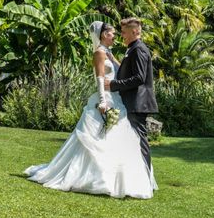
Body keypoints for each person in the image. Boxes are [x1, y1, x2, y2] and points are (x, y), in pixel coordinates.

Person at [24, 21, 157, 199]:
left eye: (120, 32)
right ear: (103, 35)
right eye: (112, 33)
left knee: (126, 140)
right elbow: (101, 79)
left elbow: (122, 73)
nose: (116, 36)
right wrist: (102, 101)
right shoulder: (99, 53)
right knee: (100, 139)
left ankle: (130, 178)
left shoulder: (112, 53)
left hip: (118, 100)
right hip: (107, 100)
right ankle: (99, 178)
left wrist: (115, 83)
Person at [105, 17, 158, 175]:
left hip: (138, 102)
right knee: (131, 140)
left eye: (124, 32)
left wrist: (113, 85)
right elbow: (129, 70)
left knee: (139, 140)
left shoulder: (139, 49)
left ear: (135, 32)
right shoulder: (132, 48)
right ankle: (136, 176)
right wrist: (114, 60)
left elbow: (139, 78)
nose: (122, 35)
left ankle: (145, 177)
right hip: (133, 102)